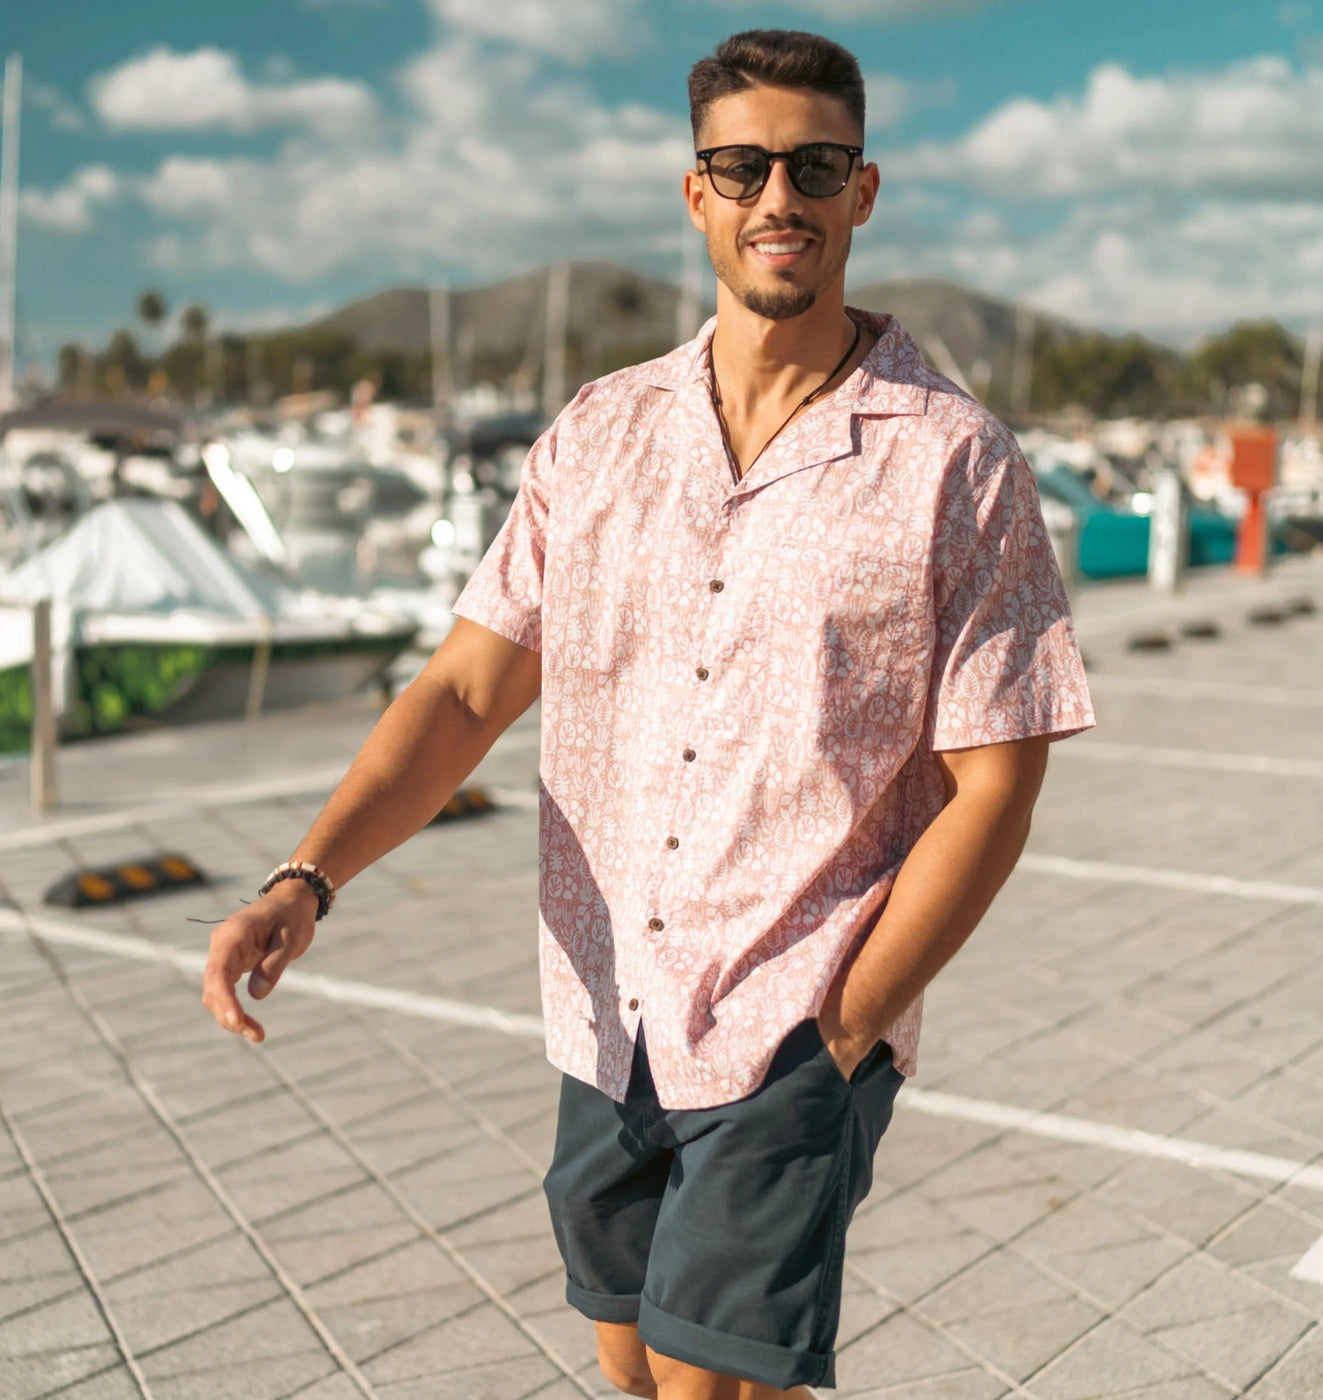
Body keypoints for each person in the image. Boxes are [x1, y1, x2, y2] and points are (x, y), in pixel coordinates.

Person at [202, 28, 1095, 1400]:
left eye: (814, 164)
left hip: (792, 1021)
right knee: (631, 1362)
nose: (776, 197)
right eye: (741, 166)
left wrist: (843, 1030)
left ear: (864, 191)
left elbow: (996, 786)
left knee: (706, 1380)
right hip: (602, 1012)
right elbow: (460, 691)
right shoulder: (598, 431)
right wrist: (305, 877)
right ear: (697, 194)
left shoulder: (956, 465)